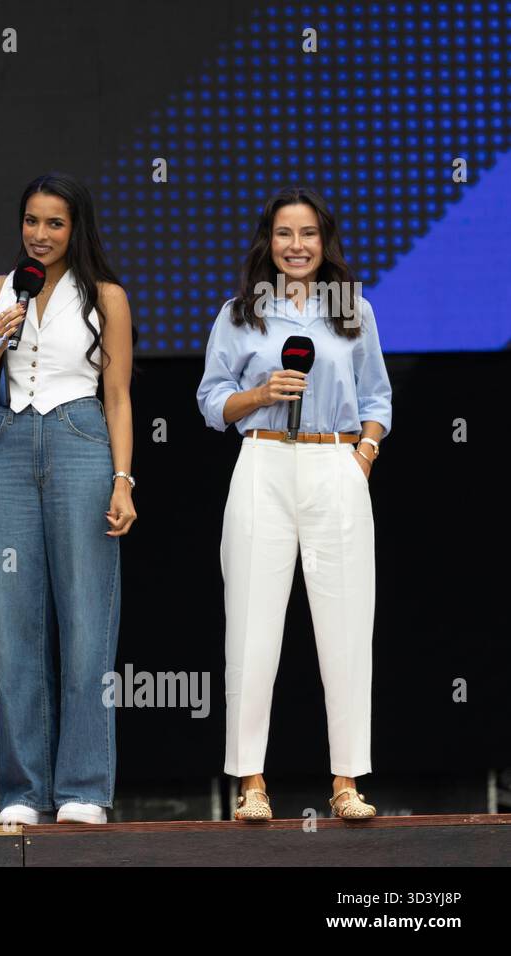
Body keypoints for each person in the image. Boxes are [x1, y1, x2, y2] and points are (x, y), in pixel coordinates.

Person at [196, 186, 392, 822]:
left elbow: (378, 399)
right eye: (285, 234)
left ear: (324, 241)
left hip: (334, 463)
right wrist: (258, 394)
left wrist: (362, 454)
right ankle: (252, 784)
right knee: (251, 627)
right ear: (268, 242)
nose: (297, 246)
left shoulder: (352, 311)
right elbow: (210, 400)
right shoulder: (240, 313)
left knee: (346, 628)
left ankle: (345, 783)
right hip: (264, 461)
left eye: (308, 234)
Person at [0, 172, 136, 826]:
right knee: (15, 629)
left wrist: (124, 480)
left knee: (88, 623)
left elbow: (118, 397)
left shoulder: (107, 297)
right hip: (7, 444)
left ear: (75, 229)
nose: (39, 235)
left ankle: (84, 787)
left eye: (54, 223)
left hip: (81, 440)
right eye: (31, 221)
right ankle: (23, 790)